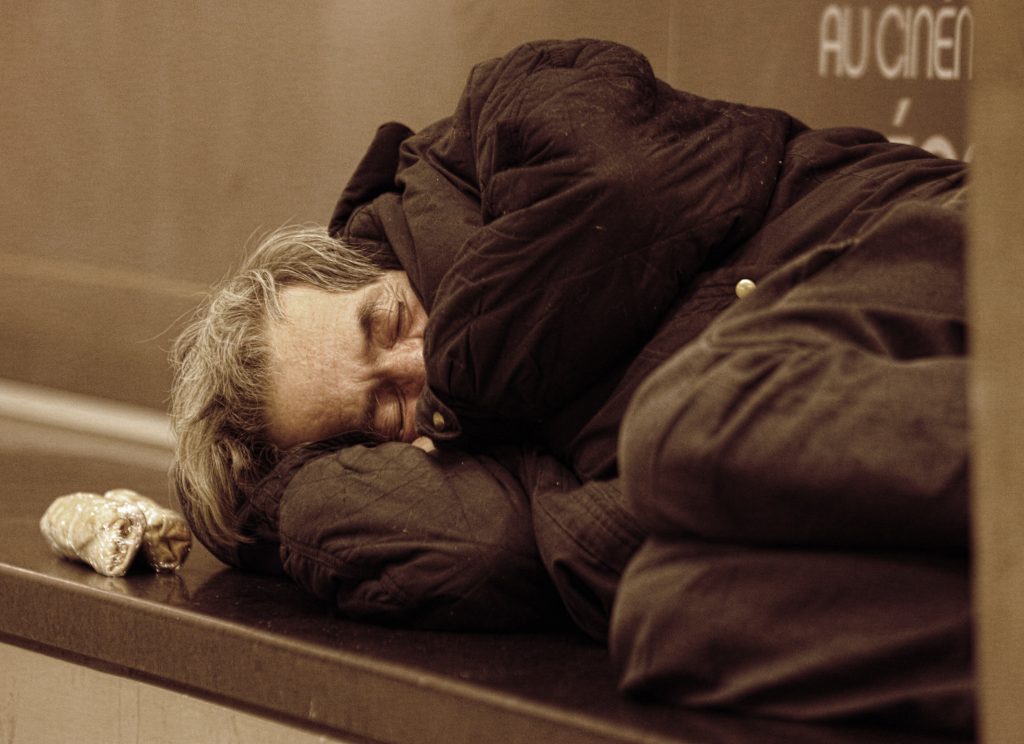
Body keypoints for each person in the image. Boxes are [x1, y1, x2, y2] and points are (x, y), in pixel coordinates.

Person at [171, 39, 972, 735]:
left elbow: (632, 186)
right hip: (870, 436)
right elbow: (489, 551)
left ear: (366, 258)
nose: (416, 368)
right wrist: (274, 507)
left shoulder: (492, 119)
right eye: (381, 412)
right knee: (666, 618)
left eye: (385, 323)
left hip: (931, 248)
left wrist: (456, 392)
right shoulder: (473, 446)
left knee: (676, 433)